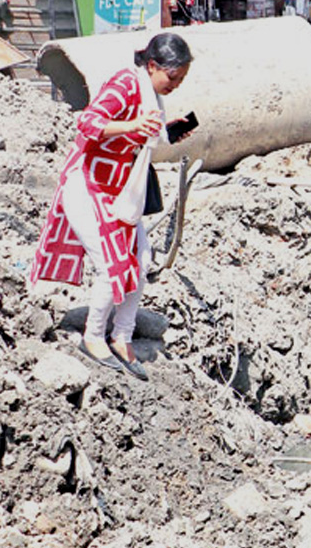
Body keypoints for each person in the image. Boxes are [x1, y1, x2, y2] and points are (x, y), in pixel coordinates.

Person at [30, 33, 194, 380]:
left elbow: (141, 136)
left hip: (118, 192)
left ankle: (122, 335)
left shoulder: (150, 95)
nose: (175, 85)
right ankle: (92, 337)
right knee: (109, 265)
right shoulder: (124, 84)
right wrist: (133, 125)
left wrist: (167, 130)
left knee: (141, 259)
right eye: (173, 78)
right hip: (87, 184)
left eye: (180, 79)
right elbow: (87, 123)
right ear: (152, 66)